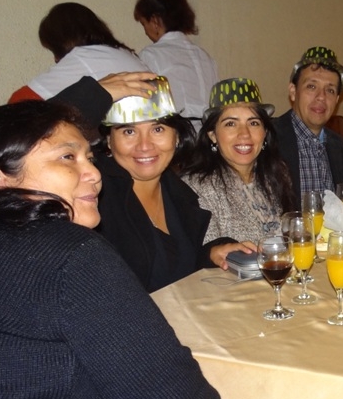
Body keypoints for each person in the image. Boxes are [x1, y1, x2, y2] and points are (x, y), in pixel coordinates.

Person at [0, 100, 271, 399]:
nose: (92, 173)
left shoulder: (175, 194)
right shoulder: (72, 252)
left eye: (87, 157)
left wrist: (210, 250)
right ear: (0, 177)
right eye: (67, 157)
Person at [95, 79, 249, 292]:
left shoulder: (179, 193)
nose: (145, 145)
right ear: (109, 141)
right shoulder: (95, 197)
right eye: (129, 131)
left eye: (157, 129)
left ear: (176, 137)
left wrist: (211, 253)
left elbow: (176, 268)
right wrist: (90, 95)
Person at [180, 78, 296, 243]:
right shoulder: (196, 188)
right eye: (231, 124)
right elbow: (206, 254)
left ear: (264, 133)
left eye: (253, 123)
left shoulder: (278, 174)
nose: (244, 134)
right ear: (213, 135)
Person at [8, 2, 148, 102]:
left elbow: (18, 102)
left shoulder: (83, 57)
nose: (55, 59)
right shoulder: (125, 53)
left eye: (54, 49)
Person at [275, 46, 343, 206]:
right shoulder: (269, 138)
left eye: (330, 90)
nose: (321, 97)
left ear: (337, 100)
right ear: (293, 91)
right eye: (311, 86)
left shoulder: (338, 145)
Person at [134, 0, 219, 126]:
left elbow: (144, 103)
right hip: (208, 131)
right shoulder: (204, 56)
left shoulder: (151, 54)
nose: (146, 32)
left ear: (155, 21)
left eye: (144, 24)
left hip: (177, 131)